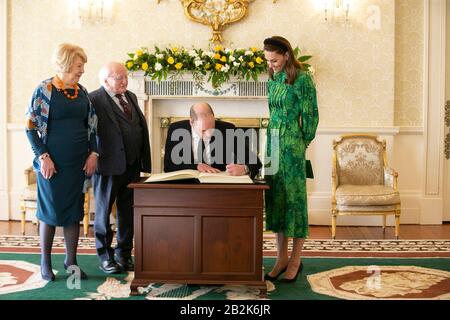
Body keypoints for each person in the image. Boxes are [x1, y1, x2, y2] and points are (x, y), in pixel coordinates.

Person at [25, 43, 98, 281]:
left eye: (83, 66)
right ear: (65, 64)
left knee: (73, 213)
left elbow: (93, 127)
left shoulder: (82, 92)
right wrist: (43, 157)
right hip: (52, 165)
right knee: (49, 212)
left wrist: (93, 154)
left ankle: (71, 262)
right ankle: (45, 262)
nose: (82, 71)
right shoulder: (44, 90)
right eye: (79, 66)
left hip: (78, 164)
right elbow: (30, 127)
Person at [263, 36, 319, 282]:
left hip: (293, 146)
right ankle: (281, 258)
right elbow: (272, 112)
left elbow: (311, 114)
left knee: (294, 203)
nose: (271, 64)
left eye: (274, 60)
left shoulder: (303, 79)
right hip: (272, 144)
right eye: (268, 60)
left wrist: (301, 141)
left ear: (286, 55)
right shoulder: (273, 78)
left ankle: (296, 259)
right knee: (276, 200)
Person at [89, 62, 151, 274]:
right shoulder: (93, 99)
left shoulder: (131, 96)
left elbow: (137, 126)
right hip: (107, 165)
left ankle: (123, 254)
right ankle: (105, 257)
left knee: (128, 213)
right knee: (104, 213)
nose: (124, 81)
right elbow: (88, 133)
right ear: (105, 80)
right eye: (118, 78)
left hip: (131, 165)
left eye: (125, 76)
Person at [164, 102, 261, 178]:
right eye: (203, 130)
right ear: (191, 122)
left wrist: (245, 168)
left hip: (217, 187)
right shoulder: (176, 129)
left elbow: (255, 162)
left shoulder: (227, 129)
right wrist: (195, 166)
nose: (208, 135)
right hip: (186, 188)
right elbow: (168, 167)